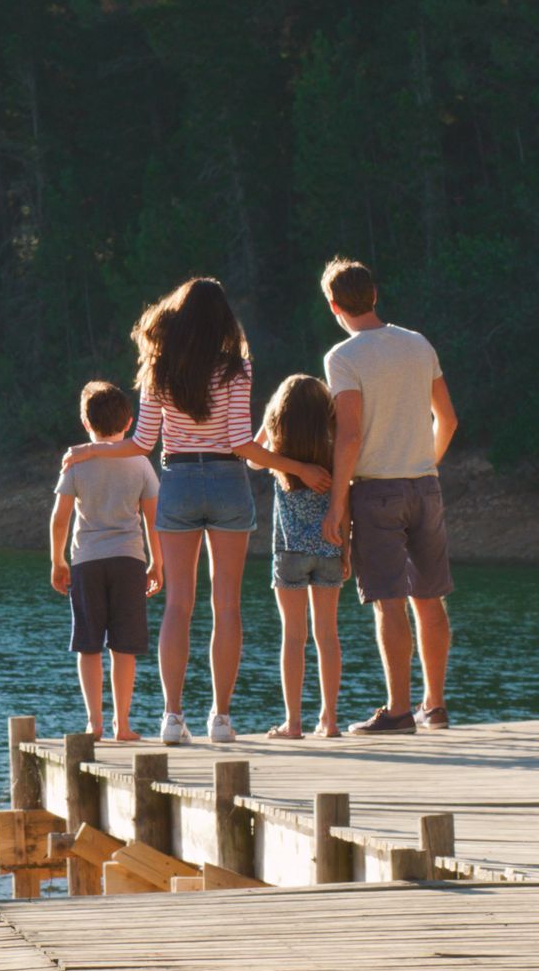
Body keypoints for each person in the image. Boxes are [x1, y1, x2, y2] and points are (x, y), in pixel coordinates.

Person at [63, 278, 330, 745]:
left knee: (178, 605)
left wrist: (91, 451)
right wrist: (299, 467)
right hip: (227, 482)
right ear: (222, 319)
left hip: (179, 483)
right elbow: (241, 444)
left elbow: (143, 443)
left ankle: (171, 717)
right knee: (226, 604)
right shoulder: (236, 369)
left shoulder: (159, 369)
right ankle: (221, 719)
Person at [316, 258, 459, 736]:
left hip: (376, 491)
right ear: (373, 295)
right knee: (430, 596)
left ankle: (399, 711)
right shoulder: (418, 344)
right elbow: (449, 419)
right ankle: (434, 705)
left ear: (334, 305)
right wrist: (427, 462)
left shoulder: (343, 357)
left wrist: (337, 503)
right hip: (425, 485)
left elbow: (350, 437)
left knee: (390, 603)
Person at [50, 381, 162, 742]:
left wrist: (58, 560)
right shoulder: (140, 463)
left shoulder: (76, 464)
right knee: (124, 646)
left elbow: (59, 518)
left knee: (88, 644)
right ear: (129, 422)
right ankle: (123, 724)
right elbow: (152, 517)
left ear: (86, 424)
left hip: (86, 561)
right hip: (129, 559)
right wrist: (157, 562)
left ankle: (94, 722)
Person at [248, 375, 345, 740]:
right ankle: (330, 720)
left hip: (289, 551)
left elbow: (251, 459)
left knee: (293, 636)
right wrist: (346, 549)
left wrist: (273, 424)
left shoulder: (278, 448)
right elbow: (344, 502)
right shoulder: (334, 449)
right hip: (330, 548)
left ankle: (293, 723)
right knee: (328, 636)